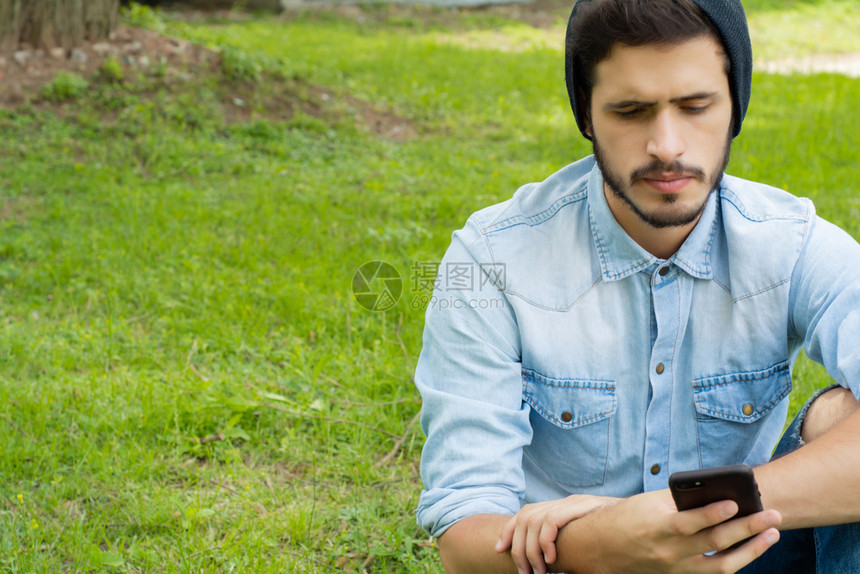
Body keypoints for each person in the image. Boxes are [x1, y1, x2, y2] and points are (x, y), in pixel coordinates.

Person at [413, 0, 860, 572]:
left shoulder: (791, 244)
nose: (667, 146)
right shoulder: (491, 261)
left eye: (696, 106)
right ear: (587, 118)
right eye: (630, 111)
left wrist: (668, 515)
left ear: (735, 108)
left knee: (840, 417)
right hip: (570, 563)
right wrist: (602, 542)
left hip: (742, 552)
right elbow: (464, 534)